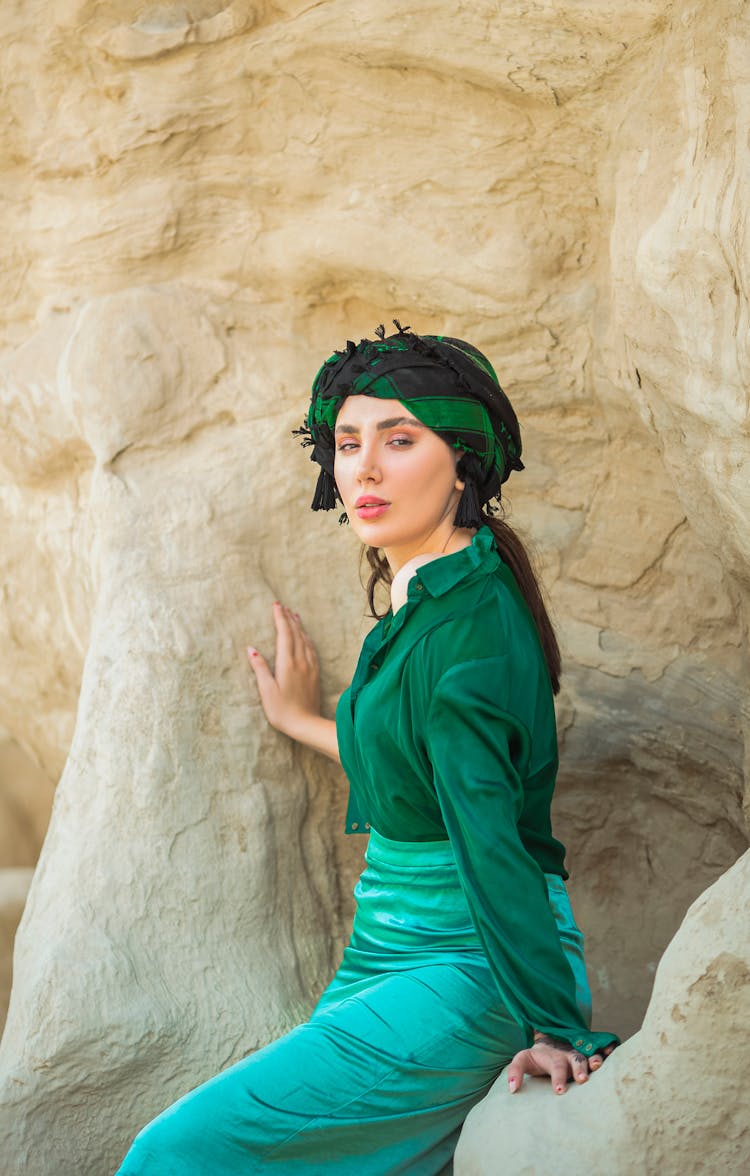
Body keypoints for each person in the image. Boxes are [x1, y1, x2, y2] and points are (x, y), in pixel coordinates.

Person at [116, 323, 618, 1175]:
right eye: (348, 444)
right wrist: (307, 721)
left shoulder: (469, 634)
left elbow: (488, 836)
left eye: (400, 439)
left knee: (175, 1153)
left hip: (468, 961)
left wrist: (553, 1026)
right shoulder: (442, 583)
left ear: (462, 460)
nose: (365, 470)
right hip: (387, 947)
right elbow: (421, 755)